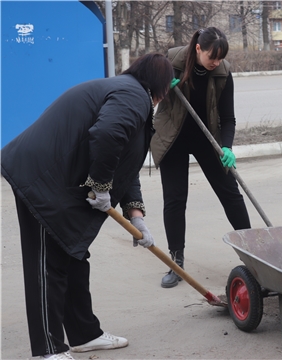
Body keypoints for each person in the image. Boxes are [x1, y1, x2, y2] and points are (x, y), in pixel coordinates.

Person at [1, 53, 174, 360]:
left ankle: (85, 334)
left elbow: (125, 161)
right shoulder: (133, 95)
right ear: (159, 85)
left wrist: (136, 215)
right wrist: (100, 185)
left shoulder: (130, 95)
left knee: (74, 253)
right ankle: (48, 349)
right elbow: (106, 134)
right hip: (41, 177)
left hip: (59, 178)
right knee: (48, 264)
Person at [151, 27, 251, 288]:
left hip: (208, 138)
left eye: (220, 58)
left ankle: (254, 256)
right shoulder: (170, 63)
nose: (215, 63)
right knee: (174, 199)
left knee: (230, 193)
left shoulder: (223, 73)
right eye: (211, 57)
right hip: (172, 137)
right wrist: (162, 87)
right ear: (198, 49)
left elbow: (228, 118)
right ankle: (176, 262)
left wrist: (227, 147)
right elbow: (146, 93)